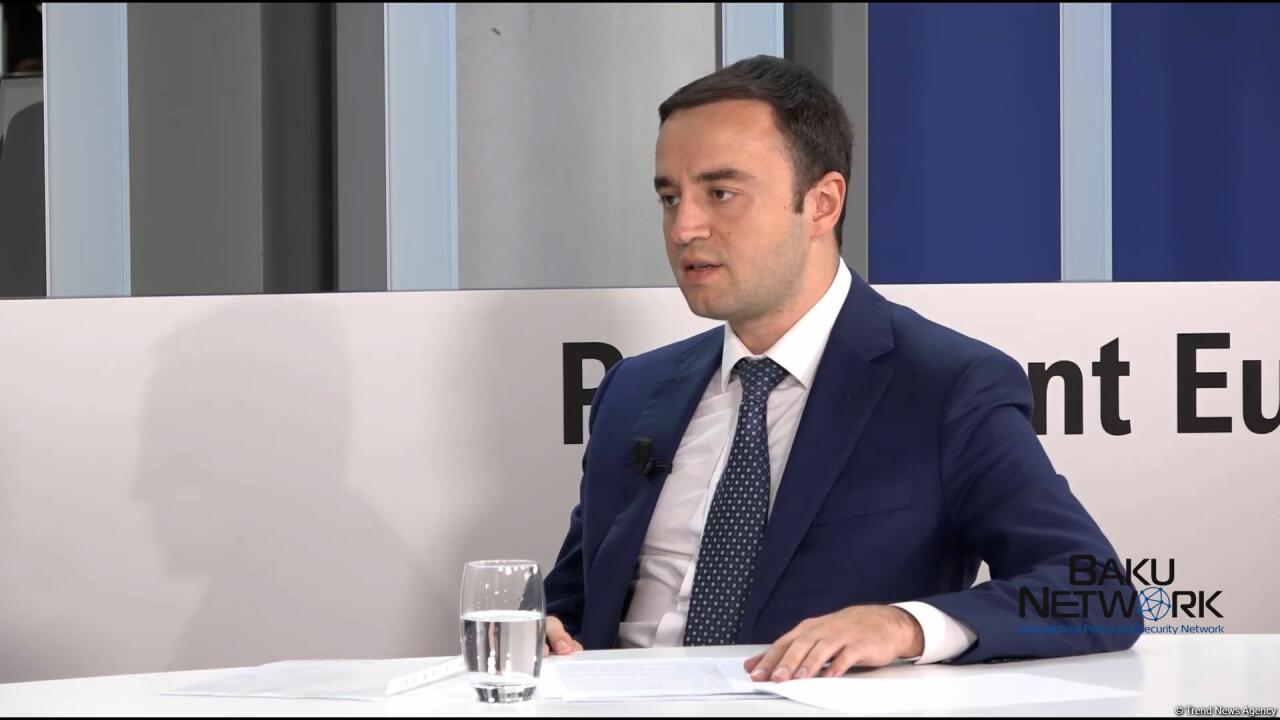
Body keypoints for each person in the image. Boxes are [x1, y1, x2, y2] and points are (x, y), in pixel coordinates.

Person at [542, 55, 1141, 680]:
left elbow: (1096, 594)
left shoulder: (945, 386)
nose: (684, 227)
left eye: (720, 194)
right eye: (670, 198)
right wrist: (547, 631)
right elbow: (570, 610)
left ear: (822, 204)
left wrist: (903, 625)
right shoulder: (633, 391)